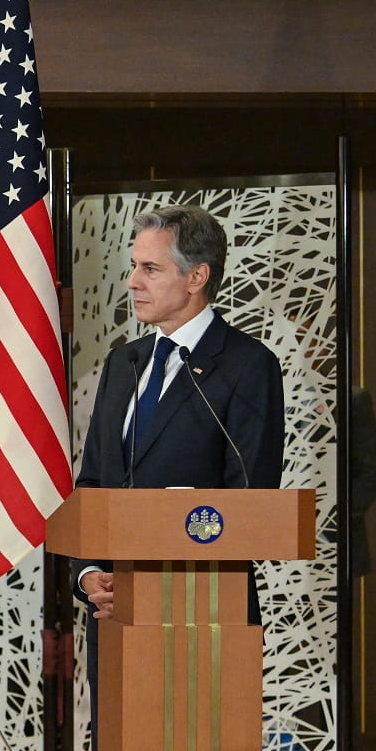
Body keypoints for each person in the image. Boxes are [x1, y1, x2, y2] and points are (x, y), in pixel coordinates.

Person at [72, 203, 285, 619]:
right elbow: (95, 480)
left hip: (202, 613)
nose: (132, 282)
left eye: (150, 269)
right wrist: (90, 572)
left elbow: (249, 498)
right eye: (133, 266)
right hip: (114, 617)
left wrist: (155, 583)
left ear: (196, 277)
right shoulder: (123, 364)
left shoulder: (247, 365)